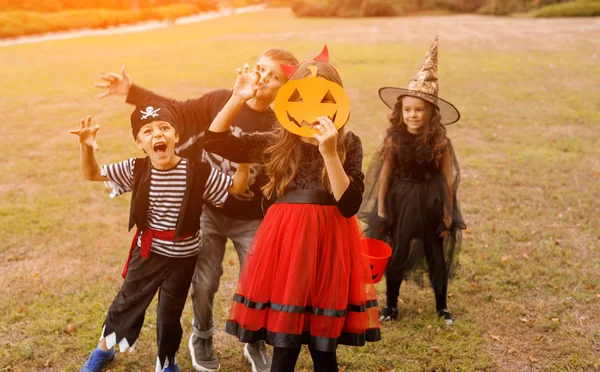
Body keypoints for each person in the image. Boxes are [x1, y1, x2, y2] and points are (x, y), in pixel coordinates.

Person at [94, 48, 298, 372]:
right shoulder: (221, 100)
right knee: (204, 282)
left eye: (275, 76)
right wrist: (130, 92)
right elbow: (176, 110)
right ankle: (201, 335)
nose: (263, 78)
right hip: (209, 210)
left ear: (284, 88)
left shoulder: (280, 124)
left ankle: (254, 340)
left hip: (252, 218)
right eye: (261, 68)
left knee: (259, 281)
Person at [201, 48, 381, 372]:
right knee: (285, 348)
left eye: (324, 100)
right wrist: (237, 98)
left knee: (323, 350)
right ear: (289, 100)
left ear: (338, 101)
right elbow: (214, 141)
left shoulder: (348, 143)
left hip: (329, 249)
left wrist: (329, 154)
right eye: (301, 98)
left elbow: (349, 204)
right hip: (286, 250)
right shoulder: (279, 140)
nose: (312, 109)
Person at [70, 102, 249, 372]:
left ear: (176, 136)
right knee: (127, 302)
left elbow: (236, 186)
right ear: (140, 142)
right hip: (148, 253)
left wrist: (244, 159)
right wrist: (86, 145)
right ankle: (103, 350)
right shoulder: (137, 169)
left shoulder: (197, 172)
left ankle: (167, 362)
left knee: (169, 314)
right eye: (148, 131)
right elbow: (92, 173)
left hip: (184, 258)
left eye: (165, 128)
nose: (158, 135)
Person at [360, 36, 466, 325]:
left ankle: (442, 307)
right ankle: (390, 306)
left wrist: (447, 212)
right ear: (400, 111)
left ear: (430, 113)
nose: (413, 115)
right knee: (397, 252)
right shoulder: (395, 139)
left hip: (431, 201)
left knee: (435, 254)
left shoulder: (440, 141)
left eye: (419, 110)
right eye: (408, 109)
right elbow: (385, 174)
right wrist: (382, 208)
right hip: (401, 200)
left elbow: (447, 177)